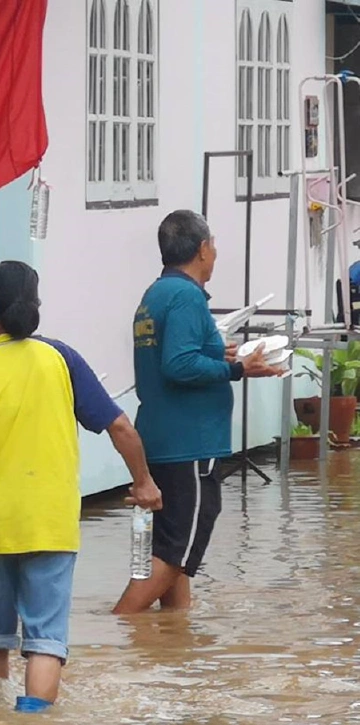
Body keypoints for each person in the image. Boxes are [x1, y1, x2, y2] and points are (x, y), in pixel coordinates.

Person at [0, 261, 162, 712]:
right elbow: (121, 429)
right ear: (36, 307)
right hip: (49, 520)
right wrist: (143, 482)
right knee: (45, 640)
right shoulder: (62, 360)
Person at [113, 210, 285, 615]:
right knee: (175, 554)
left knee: (177, 554)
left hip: (162, 440)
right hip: (188, 445)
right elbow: (178, 364)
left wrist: (217, 355)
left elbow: (174, 355)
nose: (215, 253)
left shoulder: (156, 295)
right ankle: (116, 634)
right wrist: (237, 368)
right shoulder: (186, 296)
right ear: (202, 248)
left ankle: (175, 646)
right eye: (214, 245)